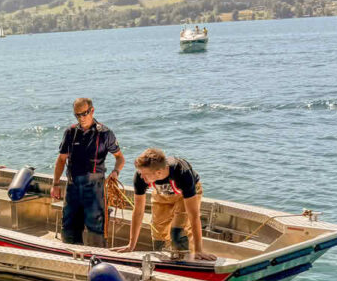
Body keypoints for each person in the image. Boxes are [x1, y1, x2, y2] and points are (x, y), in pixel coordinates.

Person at [50, 98, 125, 246]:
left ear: (92, 111)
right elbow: (61, 160)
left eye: (84, 114)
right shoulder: (70, 132)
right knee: (69, 225)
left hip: (95, 188)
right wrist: (56, 183)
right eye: (77, 115)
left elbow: (120, 158)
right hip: (73, 186)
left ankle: (97, 260)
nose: (81, 118)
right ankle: (70, 256)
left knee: (96, 228)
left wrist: (116, 172)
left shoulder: (105, 133)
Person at [126, 148, 218, 260]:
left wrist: (199, 250)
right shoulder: (141, 176)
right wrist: (131, 245)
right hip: (161, 194)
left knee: (178, 232)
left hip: (185, 195)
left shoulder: (182, 173)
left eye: (144, 174)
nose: (141, 177)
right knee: (158, 235)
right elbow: (138, 211)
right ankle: (163, 264)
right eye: (140, 173)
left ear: (158, 172)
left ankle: (186, 258)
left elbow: (193, 216)